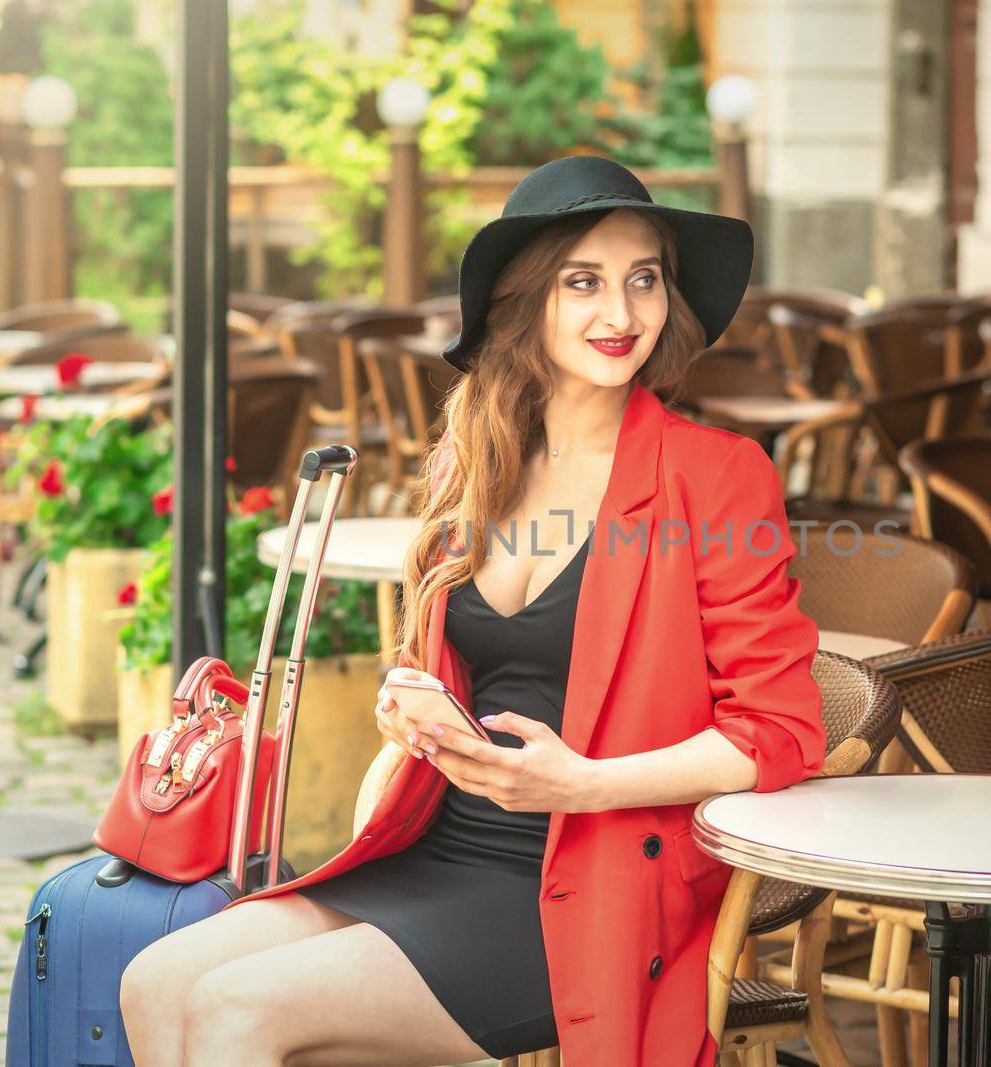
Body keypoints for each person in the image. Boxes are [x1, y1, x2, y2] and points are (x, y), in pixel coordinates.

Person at [119, 156, 828, 1067]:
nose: (622, 315)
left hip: (589, 878)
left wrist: (578, 783)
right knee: (154, 982)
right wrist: (412, 709)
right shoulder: (477, 451)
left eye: (643, 280)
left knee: (237, 1012)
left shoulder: (716, 474)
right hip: (435, 844)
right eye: (585, 282)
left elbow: (780, 731)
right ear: (525, 299)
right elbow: (465, 662)